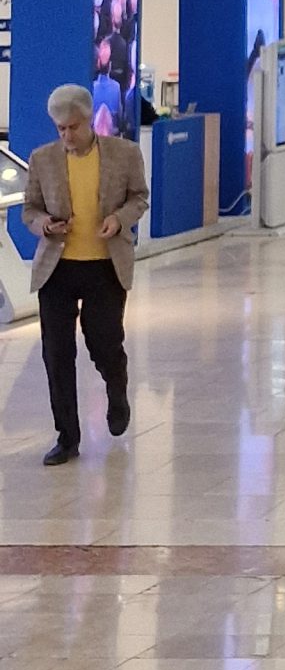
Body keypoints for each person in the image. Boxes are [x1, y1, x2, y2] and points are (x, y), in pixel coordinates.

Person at [23, 81, 151, 466]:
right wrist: (45, 225)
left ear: (89, 120)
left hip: (104, 267)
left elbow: (139, 197)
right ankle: (67, 437)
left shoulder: (124, 154)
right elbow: (30, 210)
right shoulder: (42, 159)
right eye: (60, 129)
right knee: (56, 353)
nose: (66, 136)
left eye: (73, 128)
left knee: (103, 341)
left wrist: (119, 219)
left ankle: (117, 384)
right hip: (57, 269)